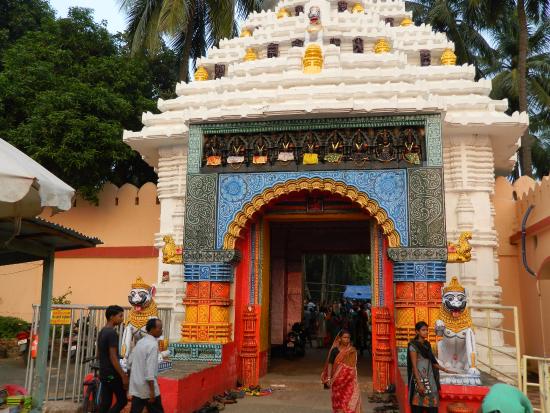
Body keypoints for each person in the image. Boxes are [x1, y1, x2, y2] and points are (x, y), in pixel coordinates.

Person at [407, 321, 454, 413]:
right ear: (417, 331)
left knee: (433, 405)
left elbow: (433, 362)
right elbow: (414, 366)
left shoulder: (427, 344)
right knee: (418, 404)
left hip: (430, 377)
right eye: (423, 330)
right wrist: (419, 383)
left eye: (426, 330)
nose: (426, 332)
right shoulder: (413, 346)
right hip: (419, 378)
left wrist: (446, 370)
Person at [128, 318, 165, 413]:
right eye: (159, 328)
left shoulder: (140, 342)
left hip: (137, 386)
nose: (161, 330)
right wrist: (152, 392)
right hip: (148, 388)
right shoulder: (152, 345)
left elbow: (130, 362)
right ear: (152, 329)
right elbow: (150, 371)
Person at [321, 330, 362, 413]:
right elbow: (330, 364)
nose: (346, 339)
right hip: (337, 382)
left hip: (349, 382)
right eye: (344, 337)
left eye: (348, 338)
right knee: (338, 403)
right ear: (339, 339)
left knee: (349, 402)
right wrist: (329, 378)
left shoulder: (352, 350)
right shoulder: (334, 351)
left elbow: (353, 367)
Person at [98, 305, 128, 413]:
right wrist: (123, 375)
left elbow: (100, 353)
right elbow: (113, 356)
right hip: (112, 374)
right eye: (120, 316)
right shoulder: (111, 333)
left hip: (104, 373)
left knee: (105, 403)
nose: (122, 319)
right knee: (122, 400)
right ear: (111, 317)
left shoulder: (102, 331)